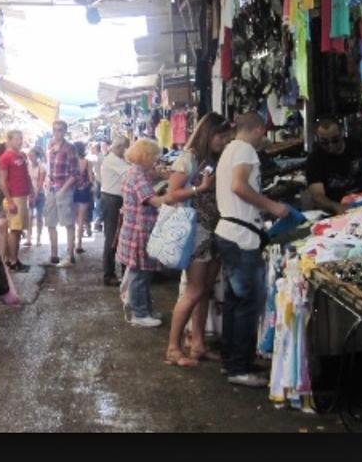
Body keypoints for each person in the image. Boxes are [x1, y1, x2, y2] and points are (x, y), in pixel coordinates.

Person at [214, 112, 290, 387]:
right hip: (241, 236)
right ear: (257, 129)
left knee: (236, 302)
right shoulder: (245, 150)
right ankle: (240, 368)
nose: (265, 138)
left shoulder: (229, 149)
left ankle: (232, 361)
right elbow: (238, 186)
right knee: (248, 304)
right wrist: (273, 207)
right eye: (264, 132)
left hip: (230, 233)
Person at [163, 113, 232, 367]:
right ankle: (172, 348)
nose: (224, 140)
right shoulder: (189, 158)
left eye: (226, 136)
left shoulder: (215, 158)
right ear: (207, 134)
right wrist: (199, 189)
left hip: (215, 230)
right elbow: (171, 195)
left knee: (205, 290)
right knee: (193, 291)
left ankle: (198, 344)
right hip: (197, 232)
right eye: (220, 135)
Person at [117, 138, 169, 328]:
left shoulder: (137, 172)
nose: (156, 161)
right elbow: (153, 201)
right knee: (140, 275)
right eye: (154, 157)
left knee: (143, 274)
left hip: (137, 229)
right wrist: (175, 196)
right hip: (139, 230)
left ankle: (144, 308)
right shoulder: (137, 175)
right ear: (145, 156)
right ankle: (140, 314)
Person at [301, 118, 362, 215]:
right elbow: (317, 195)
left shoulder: (356, 146)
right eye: (324, 142)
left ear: (342, 133)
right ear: (318, 139)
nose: (331, 145)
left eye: (335, 140)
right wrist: (336, 207)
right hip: (334, 210)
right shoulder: (314, 159)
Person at [0, 130, 33, 272]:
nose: (19, 141)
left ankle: (15, 259)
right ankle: (12, 261)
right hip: (14, 198)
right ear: (9, 140)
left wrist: (32, 190)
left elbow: (26, 175)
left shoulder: (22, 155)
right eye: (16, 139)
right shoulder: (6, 157)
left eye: (21, 138)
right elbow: (3, 182)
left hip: (23, 196)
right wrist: (10, 200)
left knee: (18, 231)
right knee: (14, 230)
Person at [45, 120, 78, 267]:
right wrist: (48, 180)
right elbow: (50, 170)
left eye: (59, 130)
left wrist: (64, 189)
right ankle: (54, 254)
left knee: (68, 223)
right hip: (52, 189)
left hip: (64, 189)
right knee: (50, 222)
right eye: (55, 130)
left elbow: (75, 173)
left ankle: (70, 255)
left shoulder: (69, 148)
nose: (57, 132)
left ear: (65, 131)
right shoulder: (51, 147)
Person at [100, 136, 130, 286]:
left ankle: (124, 272)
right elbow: (131, 173)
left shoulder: (117, 159)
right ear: (120, 148)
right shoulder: (113, 160)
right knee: (112, 238)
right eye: (127, 148)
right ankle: (109, 274)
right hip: (112, 200)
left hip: (114, 199)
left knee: (120, 237)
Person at [72, 141, 96, 253]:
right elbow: (91, 178)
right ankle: (79, 245)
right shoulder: (88, 162)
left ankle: (72, 243)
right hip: (85, 191)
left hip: (73, 191)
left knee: (75, 218)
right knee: (81, 218)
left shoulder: (72, 162)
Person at [27, 147, 47, 247]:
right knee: (29, 216)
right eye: (29, 155)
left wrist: (36, 194)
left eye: (32, 155)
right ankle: (29, 238)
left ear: (36, 156)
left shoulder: (41, 167)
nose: (30, 157)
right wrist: (30, 194)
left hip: (40, 194)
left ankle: (38, 237)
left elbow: (40, 182)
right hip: (30, 194)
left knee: (39, 216)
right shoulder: (27, 166)